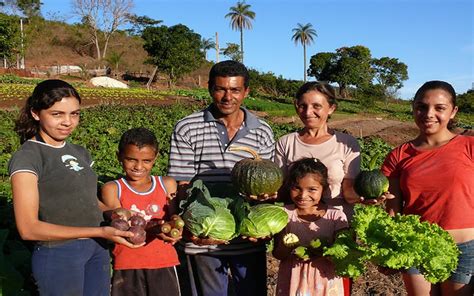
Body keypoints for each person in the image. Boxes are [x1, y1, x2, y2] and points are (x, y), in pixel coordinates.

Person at [8, 79, 139, 296]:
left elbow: (88, 200)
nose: (68, 122)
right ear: (35, 113)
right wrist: (99, 230)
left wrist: (111, 211)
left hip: (97, 249)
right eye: (57, 114)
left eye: (75, 114)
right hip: (59, 254)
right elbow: (28, 228)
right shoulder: (28, 157)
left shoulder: (79, 152)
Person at [167, 60, 275, 296]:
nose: (228, 97)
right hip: (204, 239)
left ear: (246, 91)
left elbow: (267, 182)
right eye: (220, 89)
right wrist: (193, 229)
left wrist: (265, 212)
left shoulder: (262, 131)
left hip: (248, 239)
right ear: (209, 88)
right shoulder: (187, 127)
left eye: (235, 90)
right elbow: (181, 183)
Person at [382, 80, 474, 296]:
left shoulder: (469, 147)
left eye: (439, 108)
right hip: (414, 246)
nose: (428, 114)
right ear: (413, 108)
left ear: (453, 112)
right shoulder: (398, 155)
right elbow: (393, 208)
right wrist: (390, 248)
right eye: (422, 107)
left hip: (464, 249)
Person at [101, 127, 181, 296]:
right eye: (131, 159)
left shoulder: (166, 184)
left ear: (155, 159)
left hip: (163, 261)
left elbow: (174, 218)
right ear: (119, 157)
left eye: (146, 160)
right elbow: (119, 226)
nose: (138, 166)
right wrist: (155, 228)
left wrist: (174, 228)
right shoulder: (112, 189)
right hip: (127, 263)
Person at [274, 81, 361, 221]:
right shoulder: (286, 142)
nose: (308, 112)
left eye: (316, 106)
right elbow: (282, 189)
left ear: (331, 108)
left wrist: (365, 196)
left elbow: (349, 192)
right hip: (295, 223)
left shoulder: (347, 144)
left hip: (336, 223)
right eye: (303, 106)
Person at [273, 157, 348, 295]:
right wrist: (287, 246)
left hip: (325, 279)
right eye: (297, 188)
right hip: (293, 279)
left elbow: (343, 255)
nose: (303, 195)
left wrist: (324, 252)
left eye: (312, 189)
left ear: (324, 189)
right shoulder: (284, 215)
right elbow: (278, 254)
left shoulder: (336, 216)